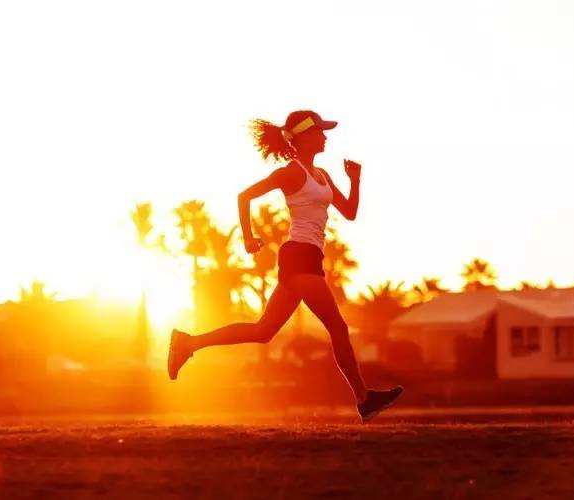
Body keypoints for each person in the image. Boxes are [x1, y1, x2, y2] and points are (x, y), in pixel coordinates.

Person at [168, 110, 403, 422]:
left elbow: (349, 212)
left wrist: (355, 181)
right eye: (320, 131)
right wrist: (248, 238)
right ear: (304, 136)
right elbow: (245, 196)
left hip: (310, 257)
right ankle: (364, 400)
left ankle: (189, 342)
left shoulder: (322, 175)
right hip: (298, 256)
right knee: (338, 326)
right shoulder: (291, 173)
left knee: (264, 331)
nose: (325, 136)